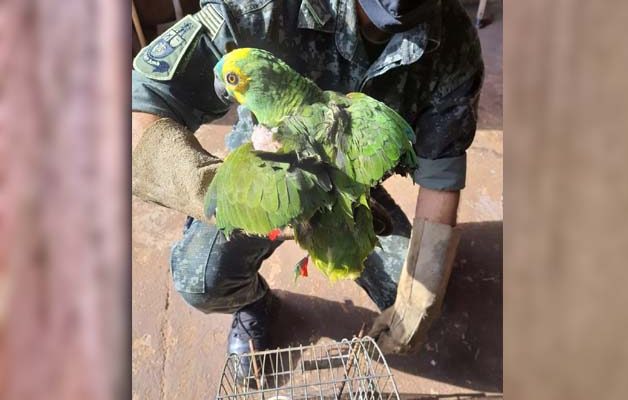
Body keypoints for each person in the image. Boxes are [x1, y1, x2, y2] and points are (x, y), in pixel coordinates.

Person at [132, 0, 483, 369]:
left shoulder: (454, 39)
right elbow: (131, 109)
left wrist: (417, 304)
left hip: (351, 183)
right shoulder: (260, 7)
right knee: (199, 279)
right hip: (263, 168)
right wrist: (224, 193)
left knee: (411, 290)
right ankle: (251, 303)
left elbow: (441, 173)